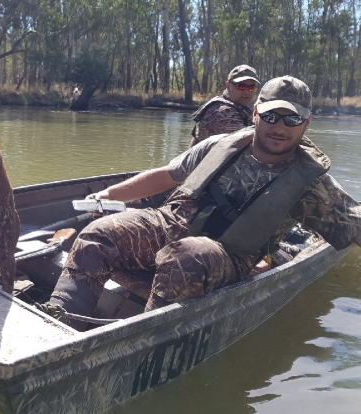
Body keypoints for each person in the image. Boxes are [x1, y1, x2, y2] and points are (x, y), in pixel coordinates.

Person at [40, 76, 361, 329]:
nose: (279, 127)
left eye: (291, 120)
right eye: (272, 115)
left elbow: (354, 225)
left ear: (307, 123)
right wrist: (107, 196)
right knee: (101, 232)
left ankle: (137, 341)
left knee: (185, 257)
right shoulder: (220, 144)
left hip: (226, 255)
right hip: (171, 226)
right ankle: (63, 321)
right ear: (256, 113)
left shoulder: (312, 182)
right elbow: (165, 175)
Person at [190, 65, 260, 147]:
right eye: (241, 86)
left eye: (252, 87)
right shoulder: (221, 111)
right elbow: (252, 144)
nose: (247, 92)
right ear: (228, 85)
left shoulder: (239, 108)